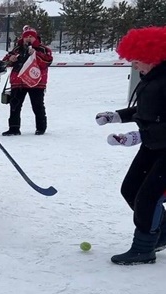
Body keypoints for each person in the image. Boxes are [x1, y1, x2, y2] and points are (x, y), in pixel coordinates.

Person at [95, 26, 166, 265]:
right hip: (153, 146)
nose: (134, 67)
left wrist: (134, 137)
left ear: (153, 56)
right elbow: (146, 111)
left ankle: (144, 248)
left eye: (137, 62)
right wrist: (116, 116)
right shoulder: (152, 78)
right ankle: (163, 232)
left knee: (148, 197)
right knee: (130, 190)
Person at [0, 26, 52, 136]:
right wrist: (10, 59)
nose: (28, 39)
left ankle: (41, 128)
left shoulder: (43, 49)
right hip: (18, 82)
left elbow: (47, 61)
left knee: (37, 105)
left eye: (31, 37)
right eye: (26, 37)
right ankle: (14, 128)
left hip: (36, 83)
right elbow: (4, 62)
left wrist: (35, 54)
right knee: (15, 105)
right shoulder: (17, 49)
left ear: (36, 38)